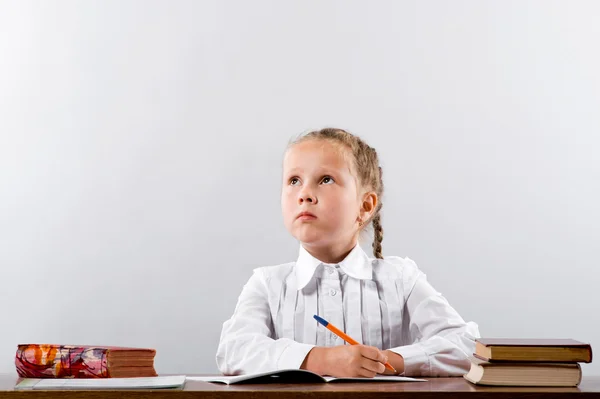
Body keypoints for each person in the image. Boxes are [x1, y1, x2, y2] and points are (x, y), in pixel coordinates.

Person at [216, 128, 479, 377]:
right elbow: (233, 350)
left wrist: (387, 362)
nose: (304, 194)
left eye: (325, 179)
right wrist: (323, 360)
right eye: (294, 180)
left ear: (365, 206)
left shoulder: (400, 279)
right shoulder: (267, 284)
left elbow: (467, 345)